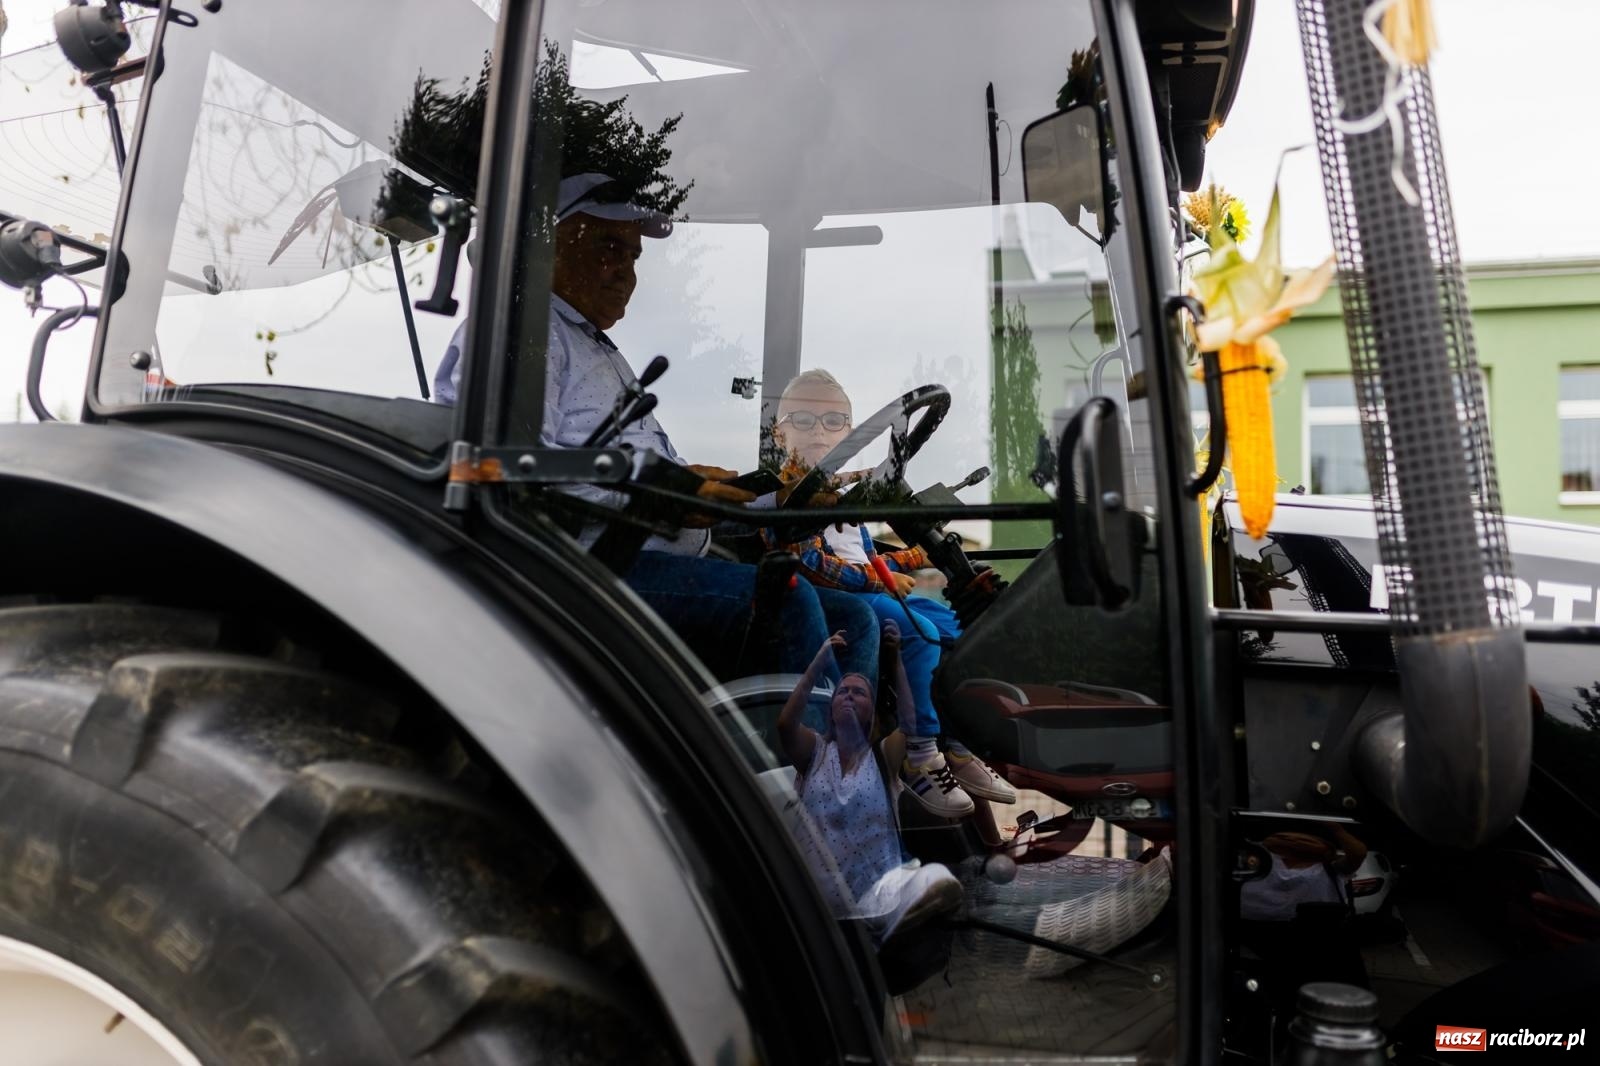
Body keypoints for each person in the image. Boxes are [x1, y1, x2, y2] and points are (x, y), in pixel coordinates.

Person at [437, 173, 878, 680]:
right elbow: (513, 473)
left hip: (641, 559)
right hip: (580, 573)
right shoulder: (525, 333)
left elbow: (657, 481)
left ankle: (847, 760)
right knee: (792, 602)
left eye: (633, 257)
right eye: (608, 248)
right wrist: (668, 494)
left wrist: (776, 501)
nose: (626, 273)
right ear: (553, 246)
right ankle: (794, 758)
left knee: (855, 619)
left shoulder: (589, 344)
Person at [767, 369, 1016, 816]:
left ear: (848, 430)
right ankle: (922, 755)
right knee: (919, 630)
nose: (820, 432)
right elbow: (814, 564)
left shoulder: (840, 493)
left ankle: (957, 745)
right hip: (832, 601)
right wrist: (879, 579)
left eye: (833, 422)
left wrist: (912, 556)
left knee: (953, 627)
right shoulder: (788, 495)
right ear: (778, 434)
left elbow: (865, 557)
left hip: (868, 589)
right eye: (802, 421)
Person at [778, 622, 962, 945]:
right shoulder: (815, 753)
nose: (849, 695)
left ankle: (890, 928)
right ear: (832, 709)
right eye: (843, 691)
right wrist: (820, 660)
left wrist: (897, 662)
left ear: (870, 714)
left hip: (872, 899)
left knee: (938, 878)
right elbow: (785, 724)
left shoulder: (881, 758)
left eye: (859, 692)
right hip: (814, 903)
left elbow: (908, 723)